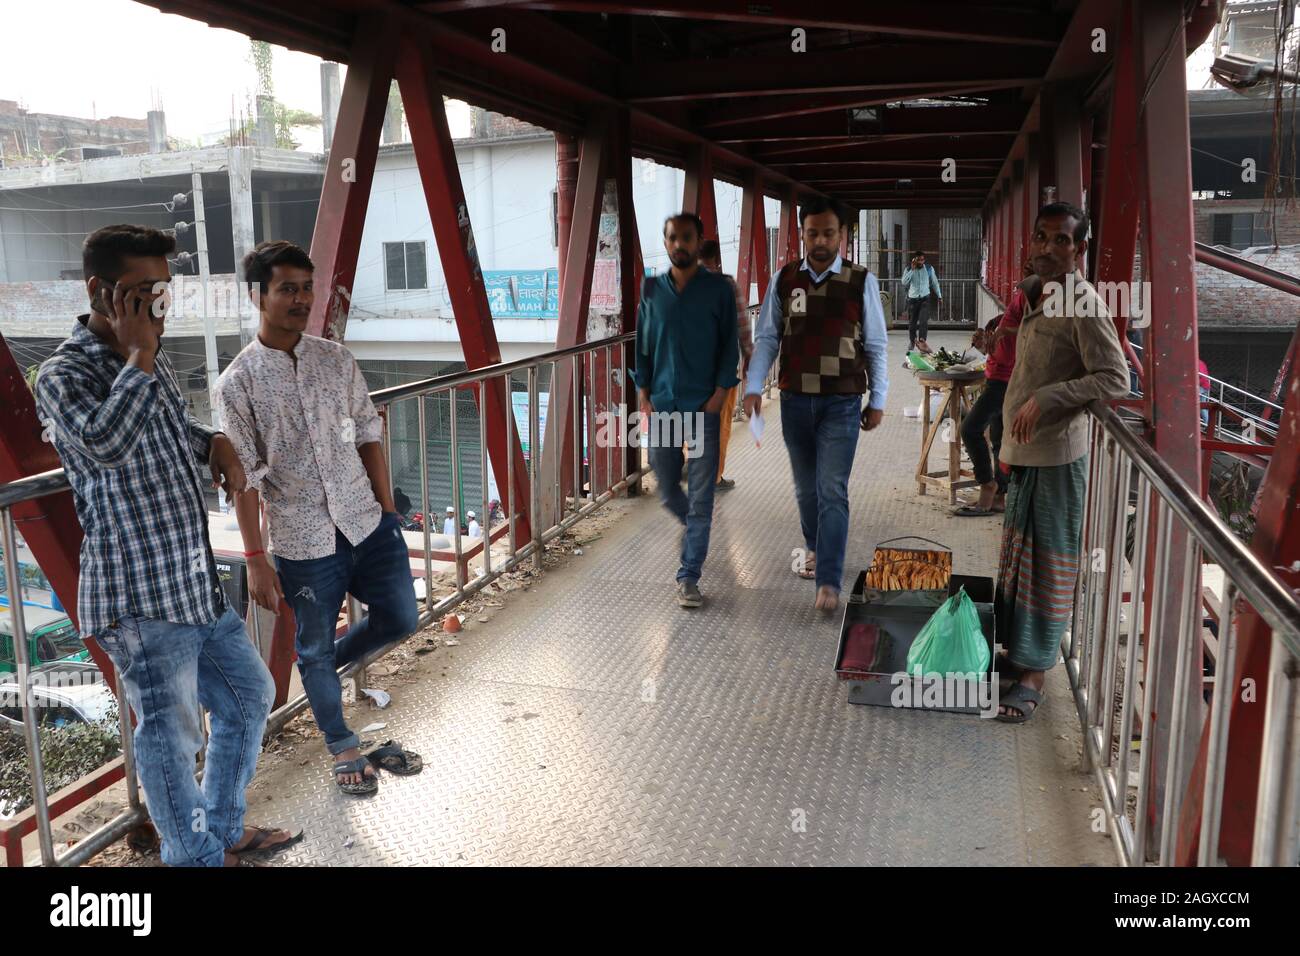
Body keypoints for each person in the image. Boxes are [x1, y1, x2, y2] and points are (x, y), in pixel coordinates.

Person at [35, 224, 296, 866]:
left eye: (163, 290)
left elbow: (171, 430)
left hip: (190, 580)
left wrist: (213, 439)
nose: (159, 303)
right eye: (144, 290)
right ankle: (192, 855)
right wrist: (137, 357)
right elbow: (105, 448)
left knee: (250, 697)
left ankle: (223, 828)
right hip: (138, 595)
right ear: (101, 291)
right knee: (171, 735)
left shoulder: (147, 355)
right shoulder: (62, 374)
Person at [216, 240, 420, 796]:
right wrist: (256, 558)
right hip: (304, 540)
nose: (302, 299)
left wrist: (385, 511)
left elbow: (368, 432)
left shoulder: (336, 359)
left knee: (402, 618)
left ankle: (325, 670)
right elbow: (246, 478)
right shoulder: (237, 384)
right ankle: (341, 744)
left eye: (307, 288)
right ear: (257, 295)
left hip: (365, 521)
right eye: (287, 289)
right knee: (311, 647)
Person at [994, 202, 1129, 722]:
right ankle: (1018, 654)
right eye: (1041, 238)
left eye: (1062, 241)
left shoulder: (1084, 302)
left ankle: (1034, 673)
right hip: (1025, 451)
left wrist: (1049, 398)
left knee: (1048, 563)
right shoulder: (1036, 293)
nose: (1048, 249)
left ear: (1081, 249)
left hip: (1056, 455)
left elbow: (1115, 378)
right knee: (1019, 559)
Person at [743, 197, 890, 613]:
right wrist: (755, 385)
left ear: (842, 235)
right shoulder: (785, 279)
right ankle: (814, 545)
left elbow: (876, 344)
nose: (821, 240)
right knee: (806, 489)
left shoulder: (862, 281)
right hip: (793, 401)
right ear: (802, 234)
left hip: (842, 404)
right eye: (813, 233)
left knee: (831, 489)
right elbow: (769, 337)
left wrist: (877, 398)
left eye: (829, 232)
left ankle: (828, 579)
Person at [633, 212, 740, 608]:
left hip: (702, 407)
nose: (680, 244)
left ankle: (688, 575)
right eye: (673, 238)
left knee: (701, 497)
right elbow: (642, 347)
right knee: (664, 485)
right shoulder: (652, 291)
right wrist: (643, 389)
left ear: (699, 242)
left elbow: (729, 346)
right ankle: (693, 525)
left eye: (687, 238)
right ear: (666, 243)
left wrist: (719, 394)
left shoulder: (718, 291)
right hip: (662, 405)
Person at [954, 262, 1030, 517]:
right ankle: (999, 496)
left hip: (1005, 379)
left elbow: (1039, 331)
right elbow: (1008, 336)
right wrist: (991, 336)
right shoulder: (1023, 295)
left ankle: (987, 484)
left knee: (970, 428)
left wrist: (1005, 330)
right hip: (998, 372)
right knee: (998, 439)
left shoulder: (1041, 294)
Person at [698, 238, 753, 490]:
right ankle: (714, 477)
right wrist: (749, 356)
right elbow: (742, 323)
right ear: (717, 260)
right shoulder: (728, 285)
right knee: (720, 423)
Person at [901, 249, 941, 361]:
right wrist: (912, 270)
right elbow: (904, 282)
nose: (921, 262)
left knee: (923, 321)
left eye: (923, 260)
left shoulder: (928, 269)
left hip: (925, 298)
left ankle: (922, 341)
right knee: (912, 323)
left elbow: (934, 282)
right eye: (919, 260)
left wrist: (939, 295)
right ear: (915, 260)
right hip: (913, 299)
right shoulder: (909, 269)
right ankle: (912, 341)